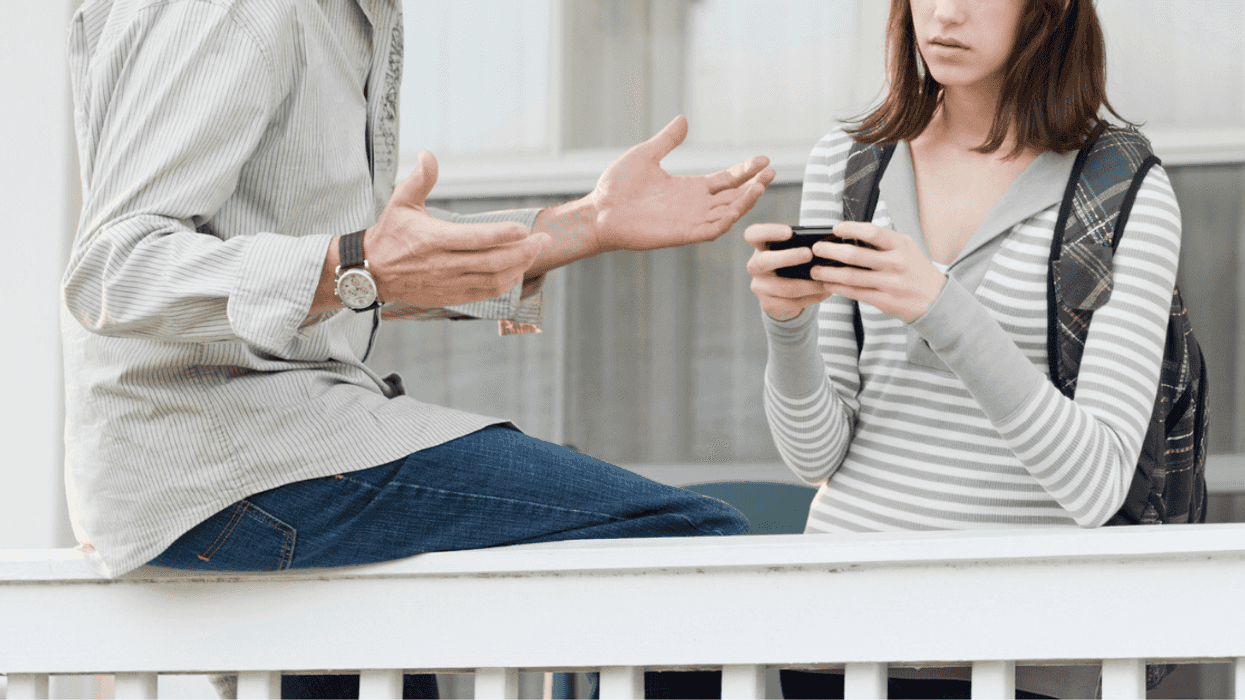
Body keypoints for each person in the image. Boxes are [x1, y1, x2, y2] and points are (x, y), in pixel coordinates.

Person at [63, 0, 773, 697]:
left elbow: (340, 278)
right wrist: (355, 262)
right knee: (687, 551)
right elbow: (113, 271)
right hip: (234, 462)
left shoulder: (356, 18)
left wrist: (586, 223)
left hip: (267, 453)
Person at [745, 0, 1180, 698]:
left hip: (1022, 652)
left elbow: (1097, 484)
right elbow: (814, 457)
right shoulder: (850, 161)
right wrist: (786, 323)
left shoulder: (1124, 192)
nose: (945, 13)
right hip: (839, 641)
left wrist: (941, 308)